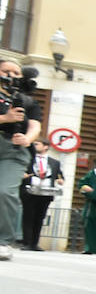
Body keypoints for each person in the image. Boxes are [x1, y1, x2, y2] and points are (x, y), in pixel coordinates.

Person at [0, 90, 41, 260]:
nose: (11, 76)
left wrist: (28, 139)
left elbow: (35, 125)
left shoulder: (27, 101)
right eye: (6, 71)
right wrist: (5, 118)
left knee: (4, 192)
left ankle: (2, 241)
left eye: (16, 73)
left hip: (14, 149)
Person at [20, 138, 62, 250]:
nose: (34, 146)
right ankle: (27, 242)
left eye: (37, 144)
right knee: (28, 217)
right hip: (30, 191)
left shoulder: (55, 162)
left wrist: (60, 180)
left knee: (40, 218)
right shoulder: (28, 159)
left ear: (46, 147)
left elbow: (59, 176)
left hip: (46, 193)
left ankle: (35, 243)